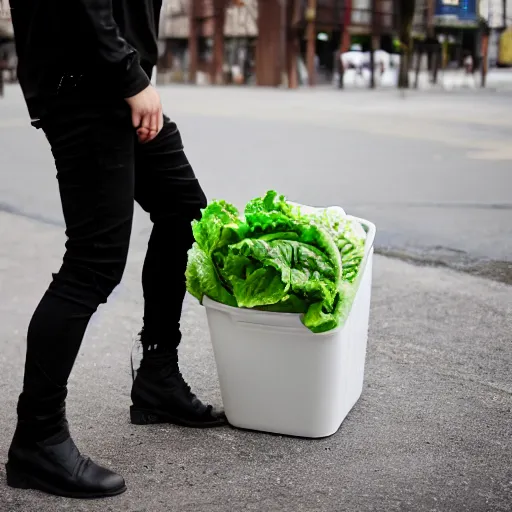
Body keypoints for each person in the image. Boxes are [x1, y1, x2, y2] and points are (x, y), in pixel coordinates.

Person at [6, 0, 225, 500]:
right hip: (87, 82)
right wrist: (129, 75)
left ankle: (157, 374)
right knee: (93, 261)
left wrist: (132, 74)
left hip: (115, 78)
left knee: (184, 211)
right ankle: (37, 437)